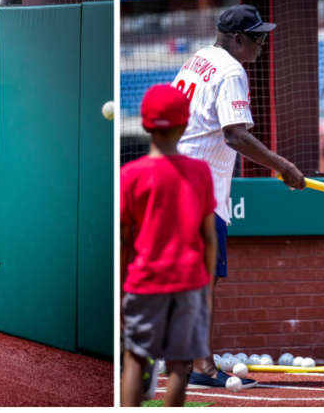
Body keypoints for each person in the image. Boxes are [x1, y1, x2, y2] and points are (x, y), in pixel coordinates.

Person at [172, 4, 306, 390]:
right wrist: (283, 166)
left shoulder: (198, 58)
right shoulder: (232, 70)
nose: (262, 43)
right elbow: (235, 135)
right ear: (235, 39)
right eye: (256, 37)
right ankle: (203, 367)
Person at [120, 85, 218, 409]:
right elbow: (208, 237)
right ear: (185, 124)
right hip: (189, 283)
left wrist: (119, 290)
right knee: (178, 366)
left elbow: (123, 241)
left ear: (146, 125)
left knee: (134, 359)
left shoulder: (128, 175)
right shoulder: (200, 172)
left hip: (144, 282)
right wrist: (205, 288)